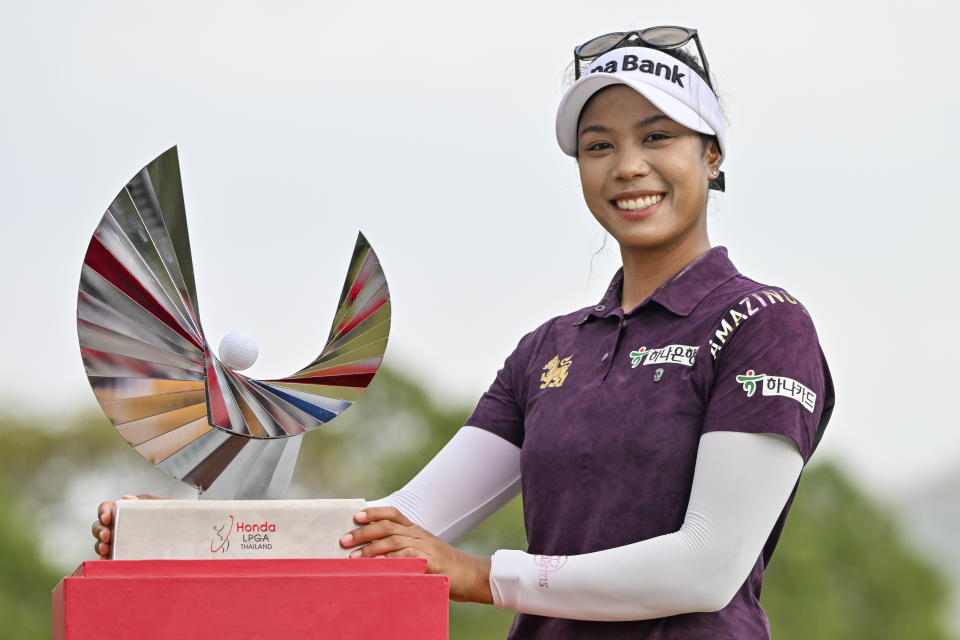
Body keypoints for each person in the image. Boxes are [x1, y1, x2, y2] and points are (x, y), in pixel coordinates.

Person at [93, 26, 834, 639]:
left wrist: (482, 575)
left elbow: (707, 567)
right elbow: (394, 529)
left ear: (712, 155)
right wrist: (196, 541)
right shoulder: (550, 350)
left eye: (657, 135)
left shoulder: (764, 325)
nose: (628, 166)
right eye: (599, 145)